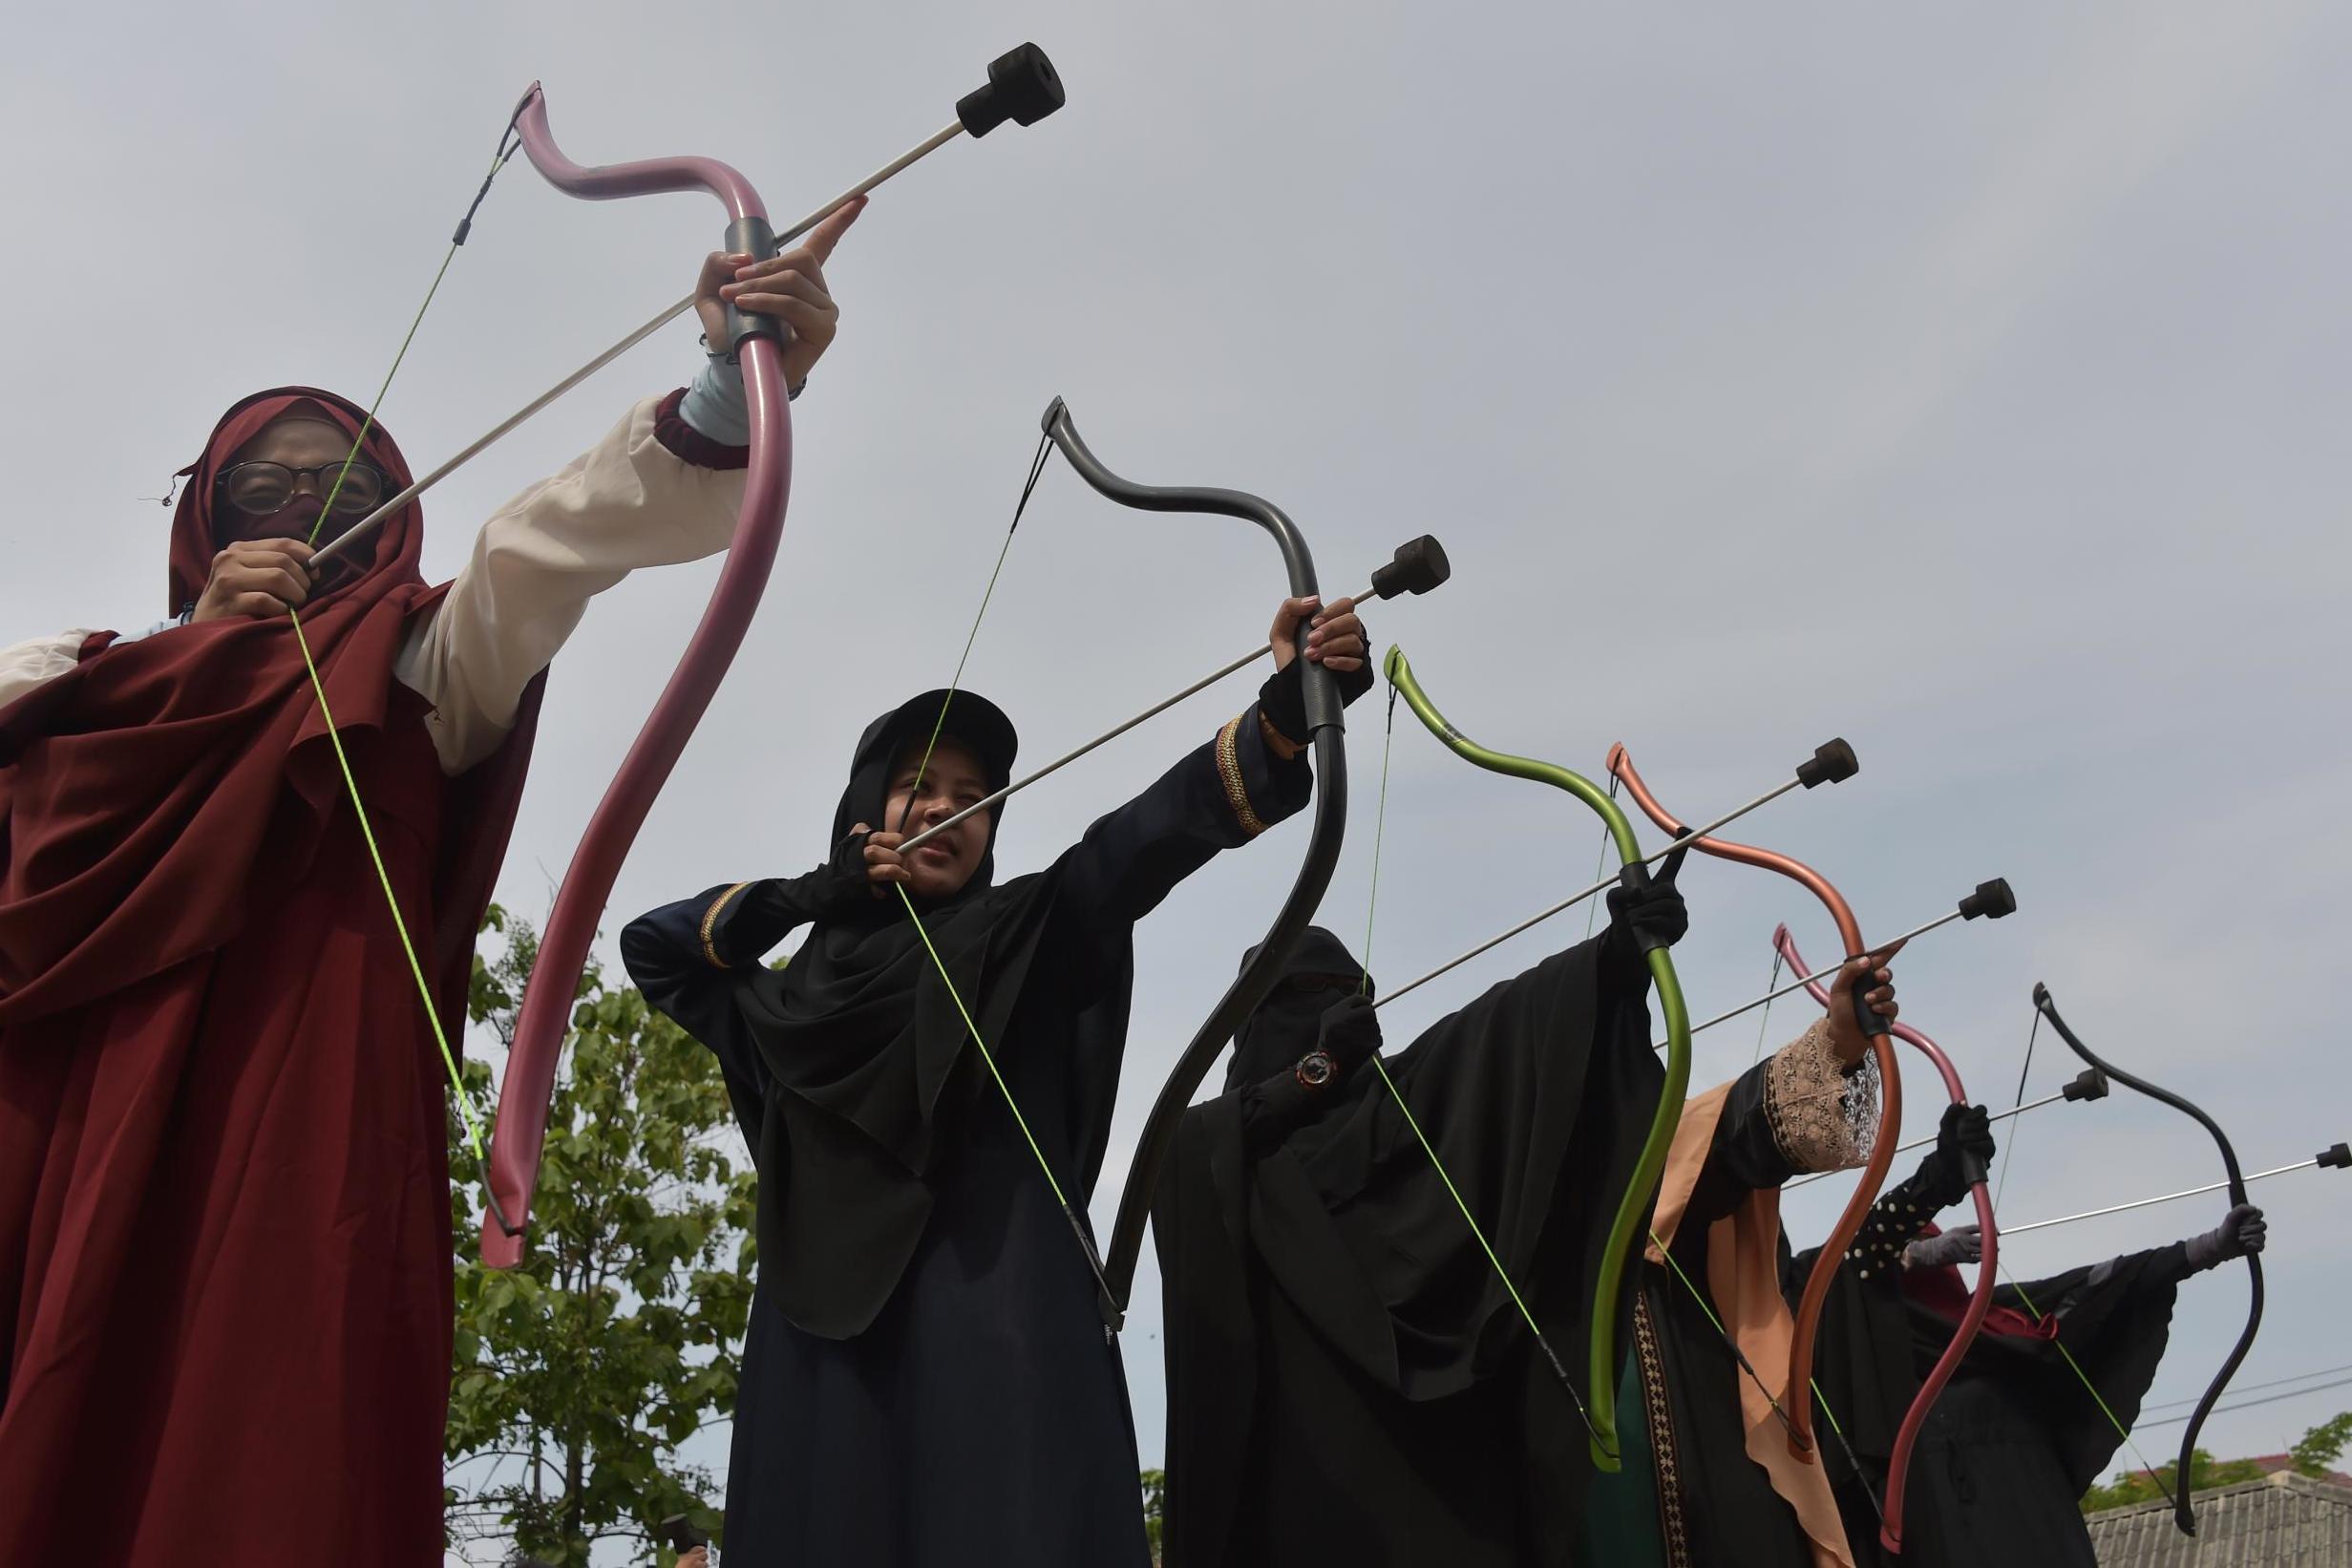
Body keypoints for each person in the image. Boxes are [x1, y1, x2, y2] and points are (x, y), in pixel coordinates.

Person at [0, 205, 859, 1567]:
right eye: (264, 490)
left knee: (267, 1448)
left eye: (342, 482)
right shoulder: (70, 689)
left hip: (286, 1137)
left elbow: (552, 543)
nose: (305, 510)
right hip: (55, 1122)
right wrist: (198, 654)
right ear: (204, 523)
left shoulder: (414, 667)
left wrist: (732, 373)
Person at [622, 592, 1370, 1566]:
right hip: (824, 1384)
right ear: (865, 810)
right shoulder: (785, 1011)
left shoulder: (1020, 935)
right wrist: (815, 893)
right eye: (917, 784)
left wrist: (1281, 718)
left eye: (972, 790)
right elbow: (656, 948)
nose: (945, 806)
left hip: (1001, 1352)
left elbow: (1128, 850)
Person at [1152, 889, 1902, 1568]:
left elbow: (1496, 1053)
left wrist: (1611, 966)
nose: (1332, 1017)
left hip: (1452, 1515)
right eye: (1301, 1001)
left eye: (1346, 1000)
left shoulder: (1407, 1137)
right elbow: (1188, 1151)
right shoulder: (1217, 1163)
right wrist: (1315, 1068)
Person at [1794, 1130, 2268, 1567]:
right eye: (1904, 1256)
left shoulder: (2002, 1325)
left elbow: (2106, 1286)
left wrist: (2211, 1246)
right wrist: (1919, 1240)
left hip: (2038, 1524)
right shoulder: (1868, 1374)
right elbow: (1844, 1270)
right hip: (1934, 1527)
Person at [1584, 948, 1905, 1568]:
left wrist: (1838, 1040)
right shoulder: (1488, 1207)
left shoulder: (1650, 1165)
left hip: (1708, 1493)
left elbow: (1730, 1131)